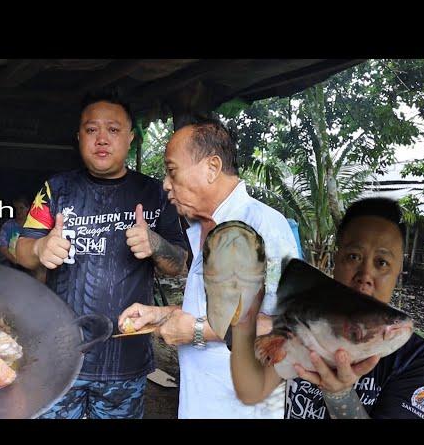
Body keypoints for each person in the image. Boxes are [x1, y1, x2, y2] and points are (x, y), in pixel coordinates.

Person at [16, 91, 188, 419]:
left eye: (113, 129)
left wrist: (156, 245)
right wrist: (39, 248)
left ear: (131, 138)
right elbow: (21, 250)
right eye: (92, 130)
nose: (102, 139)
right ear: (79, 137)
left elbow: (178, 265)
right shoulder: (55, 189)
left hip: (126, 359)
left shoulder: (156, 194)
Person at [118, 117, 300, 418]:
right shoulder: (203, 228)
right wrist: (161, 314)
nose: (165, 184)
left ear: (212, 167)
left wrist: (196, 331)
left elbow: (288, 326)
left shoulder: (263, 226)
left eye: (172, 171)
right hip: (200, 403)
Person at [231, 198, 424, 419]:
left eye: (381, 262)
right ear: (336, 259)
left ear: (398, 272)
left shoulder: (416, 360)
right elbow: (256, 388)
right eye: (354, 257)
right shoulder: (300, 317)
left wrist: (340, 395)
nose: (364, 276)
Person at [0, 196, 30, 267]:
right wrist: (15, 260)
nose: (18, 211)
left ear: (28, 208)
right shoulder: (8, 225)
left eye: (21, 208)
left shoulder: (34, 225)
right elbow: (2, 247)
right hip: (12, 260)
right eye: (16, 208)